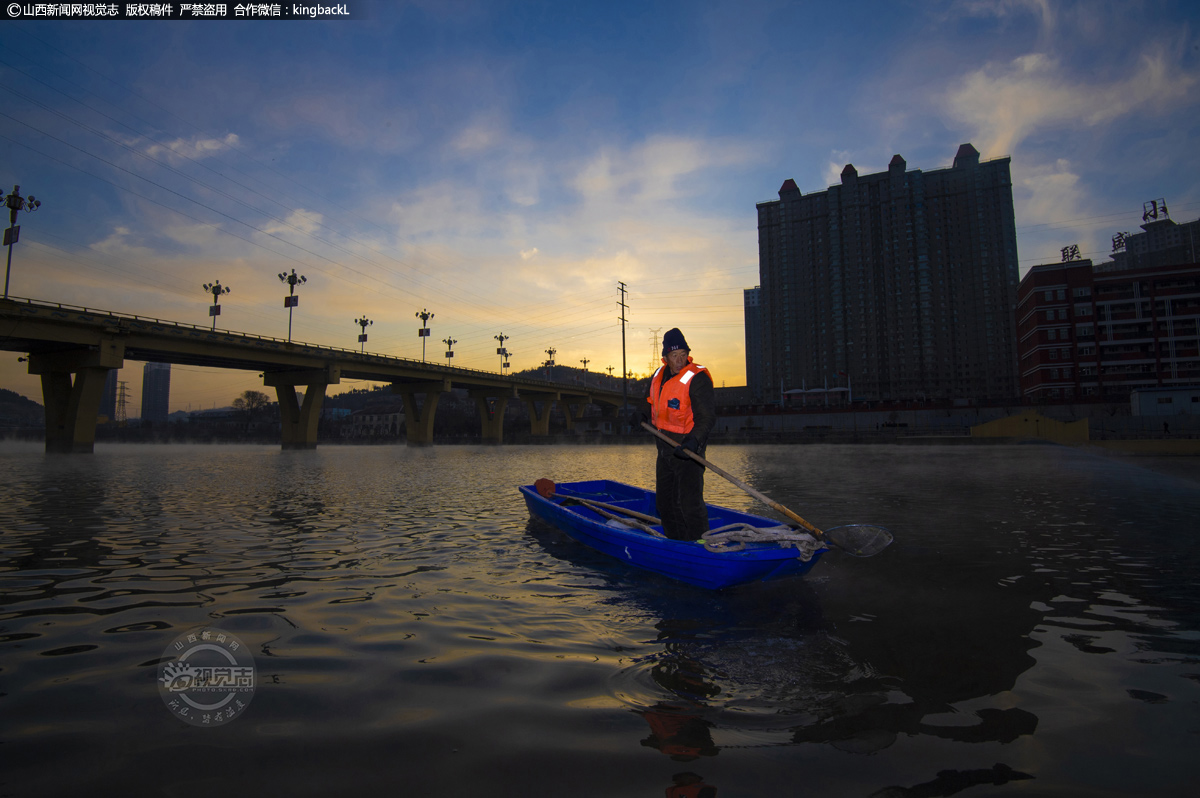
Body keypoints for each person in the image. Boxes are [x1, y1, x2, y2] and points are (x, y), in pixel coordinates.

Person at [643, 328, 715, 541]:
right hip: (664, 449)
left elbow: (707, 417)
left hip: (688, 450)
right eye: (674, 356)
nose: (679, 360)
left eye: (683, 354)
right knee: (665, 504)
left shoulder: (697, 378)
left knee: (690, 505)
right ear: (665, 357)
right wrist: (639, 414)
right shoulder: (658, 375)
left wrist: (694, 441)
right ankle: (677, 542)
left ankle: (700, 545)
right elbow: (648, 401)